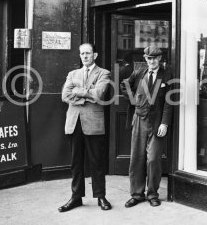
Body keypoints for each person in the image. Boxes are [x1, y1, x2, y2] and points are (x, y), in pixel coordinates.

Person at [59, 43, 112, 212]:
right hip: (74, 124)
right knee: (76, 163)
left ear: (94, 55)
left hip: (94, 123)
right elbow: (65, 95)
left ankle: (100, 196)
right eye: (82, 53)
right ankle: (76, 197)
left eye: (88, 53)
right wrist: (87, 93)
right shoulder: (72, 73)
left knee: (96, 162)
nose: (85, 56)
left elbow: (99, 94)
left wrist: (78, 91)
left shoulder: (103, 73)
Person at [122, 45, 173, 208]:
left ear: (160, 59)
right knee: (137, 157)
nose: (152, 61)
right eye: (149, 58)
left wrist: (164, 123)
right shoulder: (139, 73)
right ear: (145, 59)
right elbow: (125, 86)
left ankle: (152, 194)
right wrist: (133, 100)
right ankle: (136, 194)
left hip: (157, 122)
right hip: (139, 120)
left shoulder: (167, 76)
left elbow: (169, 102)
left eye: (155, 58)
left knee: (153, 160)